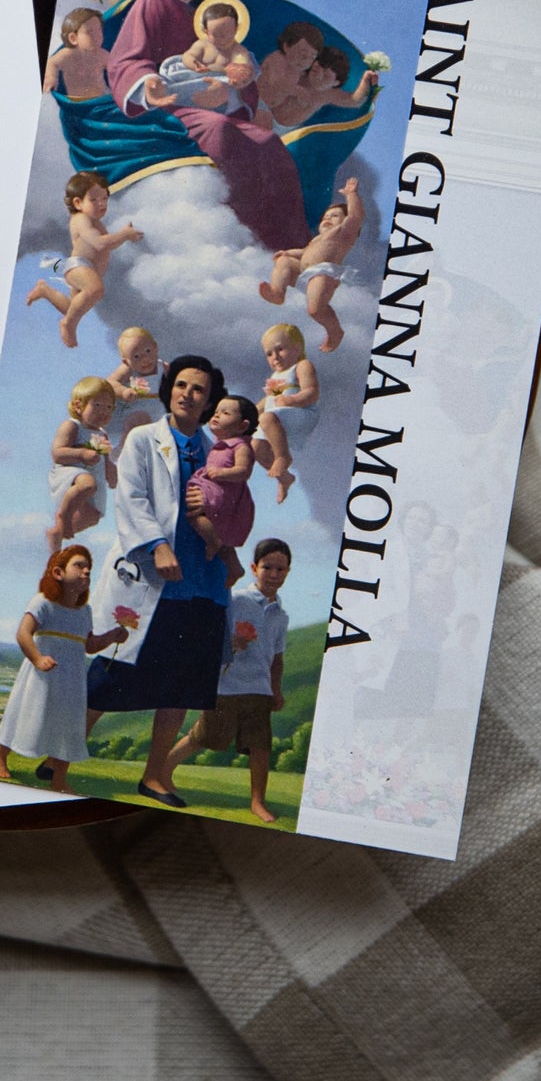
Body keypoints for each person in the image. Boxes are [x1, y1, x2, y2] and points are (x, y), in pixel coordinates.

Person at [86, 354, 230, 807]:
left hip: (201, 583)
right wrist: (157, 545)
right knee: (111, 674)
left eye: (199, 389)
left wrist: (226, 549)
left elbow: (230, 510)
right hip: (152, 576)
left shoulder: (218, 452)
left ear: (210, 401)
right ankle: (58, 754)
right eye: (182, 385)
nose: (188, 394)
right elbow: (130, 496)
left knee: (182, 685)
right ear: (170, 389)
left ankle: (153, 777)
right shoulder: (144, 439)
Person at [106, 0, 307, 251]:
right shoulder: (154, 0)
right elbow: (126, 57)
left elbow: (240, 73)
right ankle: (241, 234)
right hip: (169, 102)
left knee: (269, 143)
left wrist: (230, 89)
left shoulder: (208, 18)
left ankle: (294, 242)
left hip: (214, 103)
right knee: (218, 130)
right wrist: (148, 83)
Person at [165, 537, 292, 823]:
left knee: (261, 745)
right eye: (267, 567)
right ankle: (162, 771)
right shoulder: (237, 600)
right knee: (203, 736)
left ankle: (257, 801)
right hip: (226, 685)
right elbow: (209, 631)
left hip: (259, 689)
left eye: (280, 569)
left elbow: (277, 657)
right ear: (254, 568)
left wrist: (276, 690)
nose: (273, 574)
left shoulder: (281, 615)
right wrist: (230, 641)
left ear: (287, 572)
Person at [0, 546, 130, 793]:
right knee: (24, 714)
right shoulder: (43, 602)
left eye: (89, 568)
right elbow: (23, 633)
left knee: (69, 725)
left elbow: (89, 645)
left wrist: (112, 635)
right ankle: (0, 754)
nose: (86, 571)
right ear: (58, 572)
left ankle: (59, 779)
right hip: (41, 676)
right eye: (79, 565)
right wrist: (37, 659)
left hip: (72, 680)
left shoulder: (84, 611)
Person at [25, 170, 143, 348]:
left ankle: (45, 290)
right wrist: (124, 234)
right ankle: (68, 324)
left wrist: (125, 236)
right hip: (78, 266)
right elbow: (99, 243)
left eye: (104, 198)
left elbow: (108, 245)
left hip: (89, 270)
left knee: (72, 308)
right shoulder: (81, 220)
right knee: (95, 290)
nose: (101, 204)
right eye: (94, 199)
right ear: (78, 203)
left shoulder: (95, 222)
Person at [259, 175, 368, 349]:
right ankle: (277, 292)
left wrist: (351, 195)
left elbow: (356, 216)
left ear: (345, 221)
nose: (327, 219)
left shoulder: (342, 233)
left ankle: (335, 332)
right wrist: (287, 253)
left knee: (315, 310)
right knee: (284, 261)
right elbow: (304, 253)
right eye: (325, 217)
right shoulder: (317, 239)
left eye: (334, 216)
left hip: (324, 273)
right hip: (304, 273)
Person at [185, 393, 257, 584]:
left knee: (195, 515)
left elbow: (244, 471)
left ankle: (213, 541)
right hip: (215, 489)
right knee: (213, 527)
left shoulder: (240, 446)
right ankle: (234, 566)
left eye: (225, 413)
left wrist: (221, 473)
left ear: (242, 426)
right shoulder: (220, 443)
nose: (216, 415)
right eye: (216, 411)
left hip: (223, 494)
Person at [47, 376, 116, 550]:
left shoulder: (102, 434)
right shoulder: (72, 426)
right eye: (97, 405)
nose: (104, 411)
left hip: (93, 478)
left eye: (109, 407)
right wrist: (82, 454)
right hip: (70, 473)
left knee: (93, 516)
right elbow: (57, 453)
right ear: (79, 406)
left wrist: (111, 473)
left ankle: (57, 534)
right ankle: (64, 515)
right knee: (87, 484)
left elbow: (106, 458)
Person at [254, 322, 319, 500]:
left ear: (297, 349)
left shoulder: (302, 366)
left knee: (267, 418)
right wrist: (251, 412)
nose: (275, 357)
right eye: (269, 354)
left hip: (302, 413)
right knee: (256, 448)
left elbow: (312, 392)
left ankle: (282, 457)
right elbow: (269, 400)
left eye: (280, 349)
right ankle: (285, 478)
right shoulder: (275, 376)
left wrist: (291, 400)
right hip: (276, 419)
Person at [264, 45, 380, 130]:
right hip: (265, 111)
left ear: (336, 83)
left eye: (326, 76)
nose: (318, 75)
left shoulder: (328, 94)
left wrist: (366, 80)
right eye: (316, 69)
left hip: (284, 129)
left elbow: (355, 101)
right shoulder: (299, 74)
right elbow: (274, 79)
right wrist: (295, 90)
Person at [254, 21, 324, 121]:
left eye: (312, 57)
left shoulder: (297, 68)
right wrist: (299, 91)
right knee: (264, 122)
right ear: (286, 46)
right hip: (254, 99)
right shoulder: (277, 59)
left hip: (266, 107)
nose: (305, 60)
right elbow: (278, 82)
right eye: (302, 54)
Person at [108, 325, 165, 443]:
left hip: (158, 411)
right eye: (136, 356)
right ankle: (125, 446)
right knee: (138, 422)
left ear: (155, 348)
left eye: (148, 351)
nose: (145, 359)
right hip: (135, 409)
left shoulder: (164, 367)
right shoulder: (128, 369)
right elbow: (110, 383)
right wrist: (123, 391)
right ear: (126, 361)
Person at [43, 6, 110, 100]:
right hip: (77, 102)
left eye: (99, 30)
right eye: (90, 32)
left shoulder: (102, 54)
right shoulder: (68, 54)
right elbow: (51, 62)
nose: (97, 35)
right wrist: (51, 77)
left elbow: (117, 68)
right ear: (73, 38)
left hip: (101, 98)